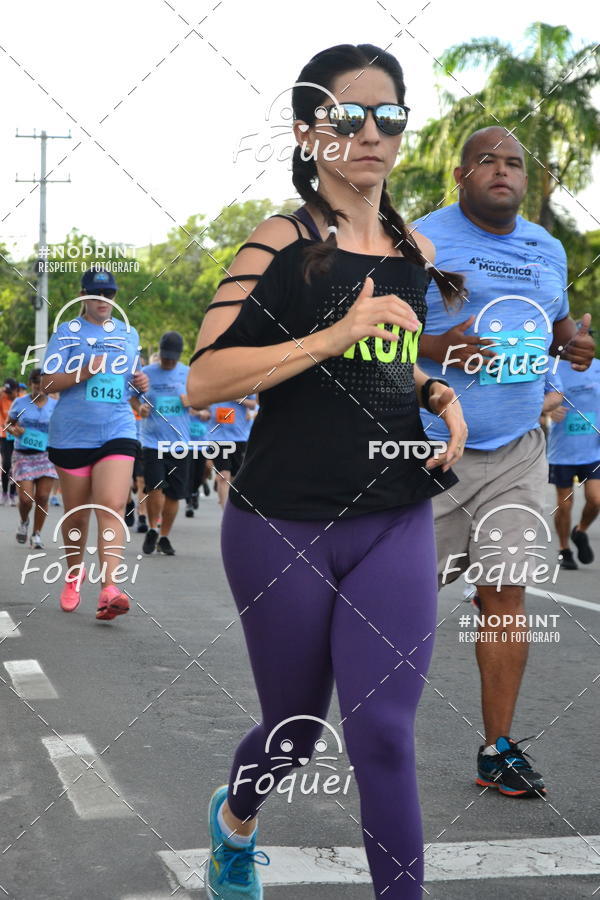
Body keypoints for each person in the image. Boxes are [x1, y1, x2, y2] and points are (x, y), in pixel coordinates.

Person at [188, 44, 467, 900]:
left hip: (391, 512)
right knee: (297, 731)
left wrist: (433, 390)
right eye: (349, 118)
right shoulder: (281, 240)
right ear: (311, 134)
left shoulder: (411, 248)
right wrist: (331, 335)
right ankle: (236, 822)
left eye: (389, 117)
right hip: (281, 522)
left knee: (383, 732)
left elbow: (384, 362)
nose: (372, 134)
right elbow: (206, 379)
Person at [414, 125, 596, 798]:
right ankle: (362, 728)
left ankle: (497, 748)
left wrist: (573, 343)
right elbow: (377, 330)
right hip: (433, 448)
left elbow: (553, 328)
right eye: (486, 160)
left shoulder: (545, 248)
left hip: (520, 446)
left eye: (514, 162)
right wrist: (440, 348)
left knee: (505, 594)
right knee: (403, 600)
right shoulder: (423, 240)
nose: (502, 169)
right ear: (461, 175)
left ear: (527, 179)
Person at [40, 266, 148, 620]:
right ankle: (74, 574)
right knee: (78, 514)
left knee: (113, 505)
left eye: (110, 295)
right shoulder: (66, 333)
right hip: (72, 433)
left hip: (117, 426)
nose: (104, 301)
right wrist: (84, 371)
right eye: (97, 295)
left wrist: (140, 383)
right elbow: (45, 385)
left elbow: (127, 382)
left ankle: (110, 588)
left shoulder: (128, 334)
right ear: (84, 296)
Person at [134, 331, 190, 556]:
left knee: (175, 494)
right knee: (155, 487)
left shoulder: (188, 373)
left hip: (179, 443)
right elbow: (131, 395)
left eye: (172, 358)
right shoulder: (145, 373)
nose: (168, 361)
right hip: (152, 441)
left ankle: (164, 536)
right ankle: (152, 528)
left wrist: (193, 400)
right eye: (165, 356)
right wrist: (139, 408)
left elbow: (204, 398)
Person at [546, 353, 600, 569]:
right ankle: (563, 549)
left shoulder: (598, 367)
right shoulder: (551, 366)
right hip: (562, 451)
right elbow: (533, 403)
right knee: (564, 504)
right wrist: (548, 412)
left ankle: (580, 531)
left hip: (593, 450)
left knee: (596, 500)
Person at [6, 368, 58, 548]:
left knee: (43, 496)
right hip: (23, 455)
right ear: (30, 384)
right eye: (36, 382)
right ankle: (24, 521)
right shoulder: (20, 403)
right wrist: (15, 431)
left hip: (47, 455)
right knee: (27, 499)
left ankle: (36, 534)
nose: (40, 386)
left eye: (43, 382)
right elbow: (8, 426)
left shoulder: (54, 405)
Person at [207, 396, 257, 507]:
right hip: (217, 437)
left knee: (237, 477)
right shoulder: (214, 382)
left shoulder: (243, 382)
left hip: (239, 437)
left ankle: (232, 505)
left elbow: (255, 404)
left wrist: (238, 399)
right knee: (223, 475)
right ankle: (225, 512)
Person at [185, 406, 210, 517]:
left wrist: (201, 412)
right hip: (186, 444)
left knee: (199, 474)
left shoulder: (207, 402)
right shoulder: (185, 400)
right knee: (188, 474)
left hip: (202, 445)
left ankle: (195, 492)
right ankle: (189, 501)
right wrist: (199, 412)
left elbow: (209, 414)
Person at [1, 377, 19, 506]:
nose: (7, 394)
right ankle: (4, 493)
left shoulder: (22, 400)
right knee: (6, 464)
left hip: (18, 436)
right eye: (6, 391)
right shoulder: (2, 398)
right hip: (4, 435)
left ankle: (13, 494)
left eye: (9, 391)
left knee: (15, 467)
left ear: (16, 390)